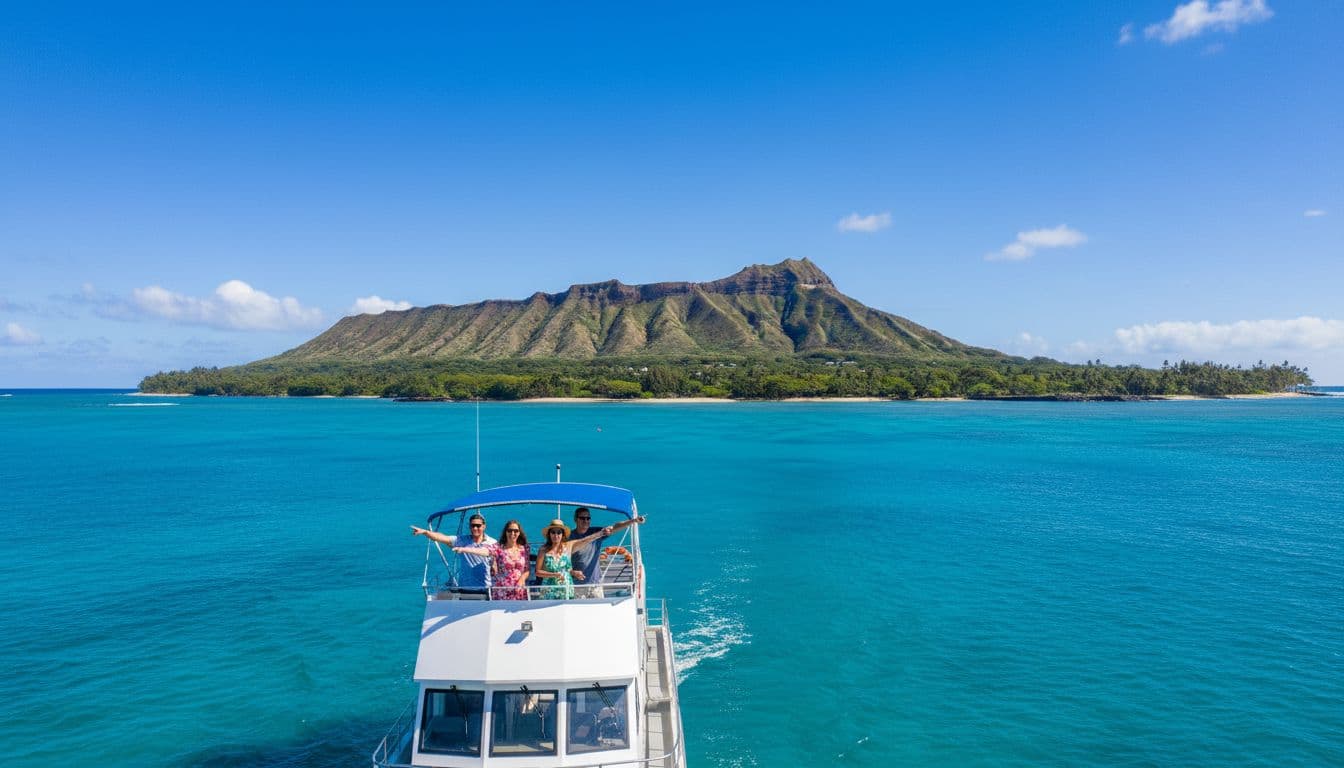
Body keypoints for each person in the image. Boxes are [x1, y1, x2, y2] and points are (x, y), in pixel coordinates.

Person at [568, 506, 646, 597]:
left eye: (588, 518)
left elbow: (616, 526)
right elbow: (563, 560)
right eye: (582, 518)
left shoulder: (596, 532)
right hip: (577, 586)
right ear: (575, 519)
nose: (585, 521)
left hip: (595, 586)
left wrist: (633, 521)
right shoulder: (569, 537)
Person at [410, 513, 496, 594]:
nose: (475, 528)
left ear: (484, 526)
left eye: (478, 526)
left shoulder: (492, 543)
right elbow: (443, 538)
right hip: (465, 588)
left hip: (487, 588)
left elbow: (499, 559)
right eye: (472, 525)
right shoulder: (462, 540)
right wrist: (426, 532)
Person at [449, 520, 531, 600]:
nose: (512, 533)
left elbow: (527, 570)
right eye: (510, 530)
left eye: (515, 531)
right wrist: (464, 549)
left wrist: (522, 579)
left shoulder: (524, 548)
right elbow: (484, 551)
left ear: (519, 533)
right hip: (502, 591)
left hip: (519, 589)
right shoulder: (498, 547)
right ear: (506, 532)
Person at [534, 518, 609, 599]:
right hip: (549, 590)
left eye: (559, 532)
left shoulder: (568, 546)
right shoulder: (543, 550)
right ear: (549, 534)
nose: (556, 535)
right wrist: (554, 575)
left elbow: (585, 540)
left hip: (566, 589)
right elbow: (538, 572)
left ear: (563, 534)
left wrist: (601, 533)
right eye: (553, 532)